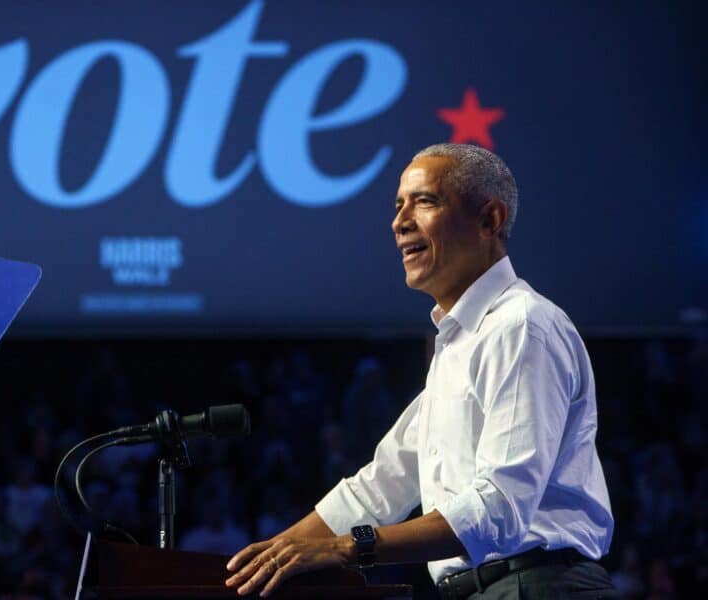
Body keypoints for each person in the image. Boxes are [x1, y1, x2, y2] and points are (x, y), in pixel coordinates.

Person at [224, 144, 617, 598]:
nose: (400, 221)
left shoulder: (521, 326)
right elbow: (381, 484)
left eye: (425, 201)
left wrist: (349, 548)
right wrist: (268, 558)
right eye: (398, 206)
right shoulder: (462, 342)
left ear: (489, 220)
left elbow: (499, 506)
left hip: (537, 586)